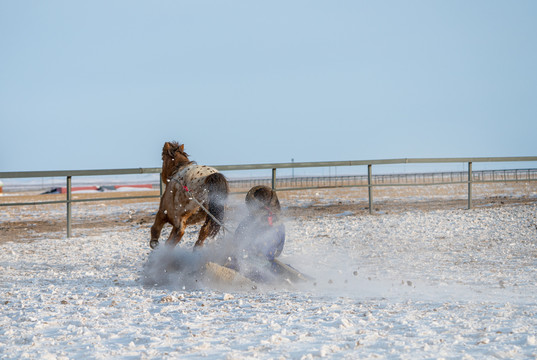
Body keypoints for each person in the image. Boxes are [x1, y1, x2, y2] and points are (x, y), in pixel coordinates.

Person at [227, 185, 286, 282]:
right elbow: (278, 251)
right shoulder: (279, 224)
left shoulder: (248, 222)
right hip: (269, 266)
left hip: (246, 267)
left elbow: (236, 242)